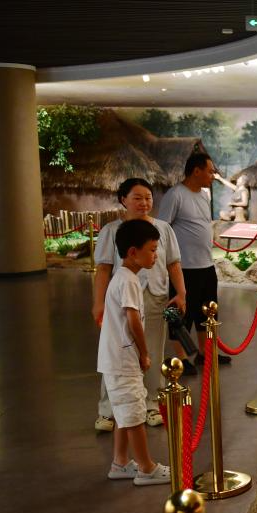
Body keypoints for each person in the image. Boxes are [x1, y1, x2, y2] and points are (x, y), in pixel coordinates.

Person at [92, 178, 186, 431]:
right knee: (118, 352)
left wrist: (181, 293)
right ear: (123, 200)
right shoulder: (111, 231)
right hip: (121, 301)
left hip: (155, 297)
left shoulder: (163, 229)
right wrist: (98, 303)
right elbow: (103, 269)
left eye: (148, 197)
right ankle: (108, 410)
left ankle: (152, 403)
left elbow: (174, 263)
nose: (144, 202)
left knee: (153, 350)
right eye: (137, 198)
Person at [97, 219, 171, 486]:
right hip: (123, 359)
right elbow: (133, 321)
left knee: (124, 412)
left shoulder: (124, 277)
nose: (156, 255)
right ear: (132, 252)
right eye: (151, 250)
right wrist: (144, 352)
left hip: (116, 358)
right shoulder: (128, 280)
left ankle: (120, 462)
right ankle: (146, 467)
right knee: (135, 415)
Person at [156, 152, 231, 369]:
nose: (213, 176)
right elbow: (162, 229)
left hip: (206, 266)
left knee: (207, 312)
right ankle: (181, 359)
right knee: (180, 314)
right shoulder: (175, 195)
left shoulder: (204, 195)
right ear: (196, 171)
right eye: (210, 171)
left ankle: (205, 354)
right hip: (183, 268)